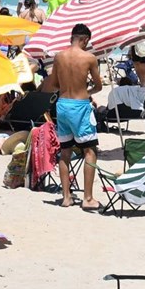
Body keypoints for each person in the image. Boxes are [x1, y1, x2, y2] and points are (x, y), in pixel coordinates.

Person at [41, 23, 103, 210]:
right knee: (90, 151)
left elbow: (54, 83)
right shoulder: (89, 58)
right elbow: (99, 86)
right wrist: (87, 91)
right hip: (80, 106)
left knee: (65, 151)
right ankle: (88, 198)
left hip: (62, 105)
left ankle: (66, 197)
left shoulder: (59, 56)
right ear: (85, 40)